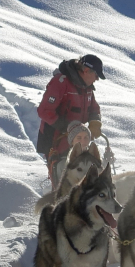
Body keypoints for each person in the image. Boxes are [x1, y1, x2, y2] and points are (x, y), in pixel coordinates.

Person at [36, 54, 105, 186]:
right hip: (55, 139)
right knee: (63, 178)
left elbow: (94, 108)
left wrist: (95, 122)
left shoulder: (86, 86)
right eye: (96, 75)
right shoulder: (60, 82)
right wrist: (69, 127)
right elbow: (44, 111)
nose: (97, 79)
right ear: (86, 71)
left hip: (77, 138)